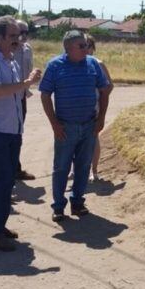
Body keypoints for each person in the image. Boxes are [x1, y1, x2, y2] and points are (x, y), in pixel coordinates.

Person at [0, 16, 42, 252]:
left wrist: (26, 83)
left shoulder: (10, 60)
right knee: (2, 182)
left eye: (19, 35)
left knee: (5, 180)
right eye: (12, 36)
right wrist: (27, 82)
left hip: (11, 129)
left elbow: (12, 94)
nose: (17, 40)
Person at [40, 30, 111, 223]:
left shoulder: (92, 64)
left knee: (83, 166)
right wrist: (54, 123)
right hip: (65, 127)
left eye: (86, 45)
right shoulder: (55, 66)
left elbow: (105, 91)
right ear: (68, 48)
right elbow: (45, 94)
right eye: (82, 46)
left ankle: (78, 202)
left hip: (89, 125)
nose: (86, 49)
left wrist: (101, 118)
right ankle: (59, 206)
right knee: (61, 168)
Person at [86, 35, 114, 182]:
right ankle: (75, 169)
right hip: (79, 108)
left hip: (94, 108)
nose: (86, 49)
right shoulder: (73, 63)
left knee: (93, 137)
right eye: (82, 45)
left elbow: (110, 85)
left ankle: (94, 170)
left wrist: (101, 101)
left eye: (89, 45)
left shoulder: (98, 64)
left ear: (93, 48)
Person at [13, 20, 36, 181]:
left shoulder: (27, 49)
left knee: (18, 133)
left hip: (21, 97)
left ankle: (15, 168)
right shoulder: (6, 51)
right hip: (7, 98)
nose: (23, 36)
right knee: (7, 135)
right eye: (19, 32)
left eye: (26, 32)